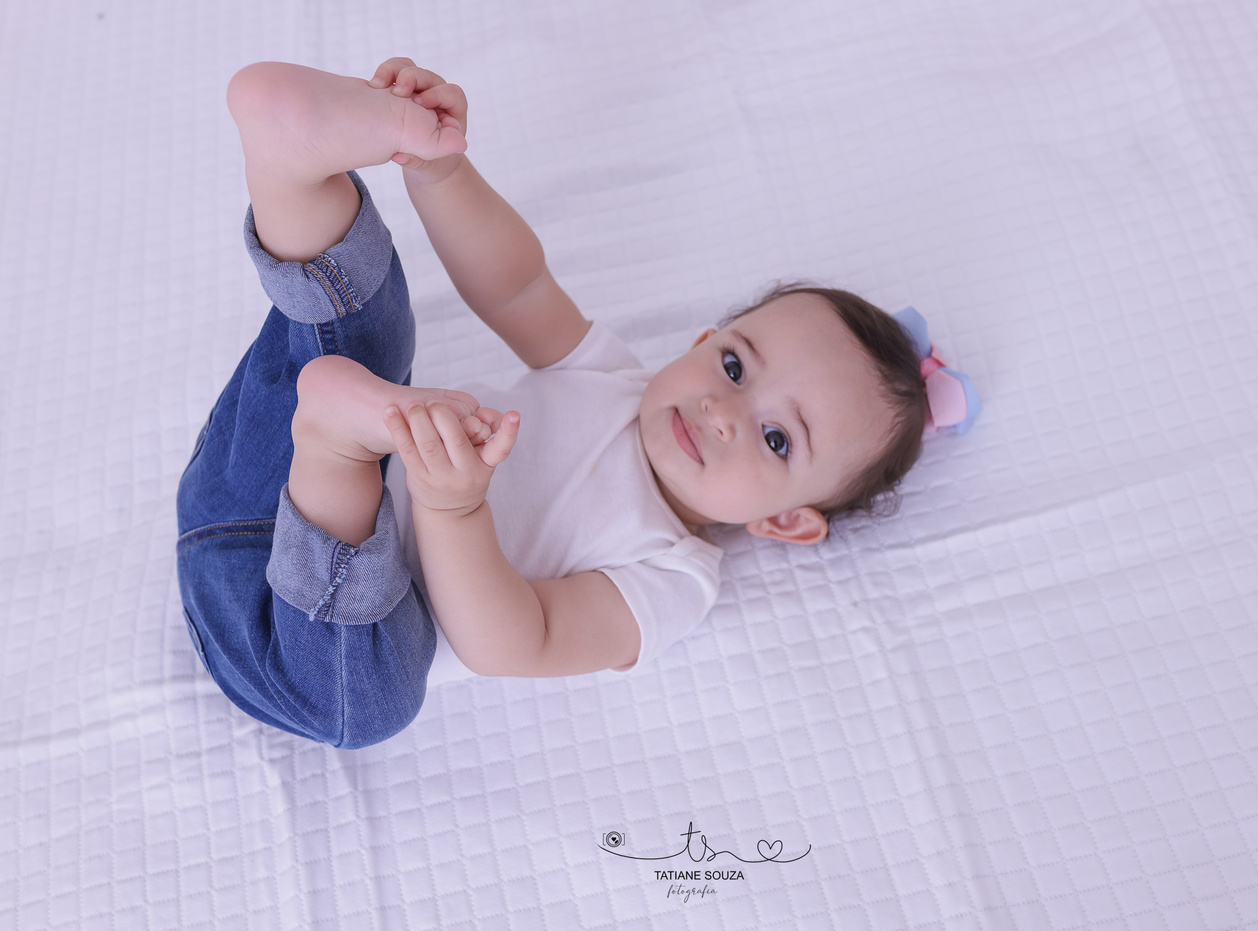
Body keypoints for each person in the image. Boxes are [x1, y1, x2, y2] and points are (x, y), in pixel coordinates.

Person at [176, 59, 974, 749]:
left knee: (379, 698)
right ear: (703, 339)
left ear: (787, 521)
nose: (722, 412)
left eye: (775, 439)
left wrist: (453, 509)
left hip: (284, 634)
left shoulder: (676, 577)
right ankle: (287, 166)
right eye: (733, 365)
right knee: (377, 328)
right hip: (262, 462)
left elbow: (514, 640)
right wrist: (441, 171)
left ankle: (336, 444)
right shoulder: (615, 379)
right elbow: (516, 284)